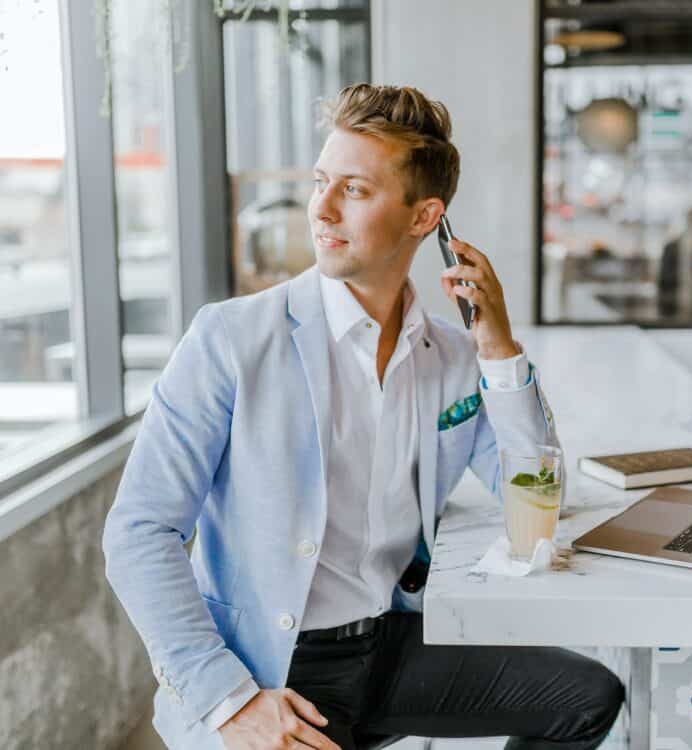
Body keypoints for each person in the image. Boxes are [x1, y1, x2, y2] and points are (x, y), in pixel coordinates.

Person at [103, 83, 624, 750]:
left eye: (353, 189)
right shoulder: (230, 340)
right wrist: (229, 700)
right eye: (322, 181)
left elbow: (536, 503)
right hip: (275, 671)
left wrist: (498, 348)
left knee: (586, 699)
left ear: (422, 216)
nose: (319, 208)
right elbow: (140, 533)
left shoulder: (453, 356)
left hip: (391, 646)